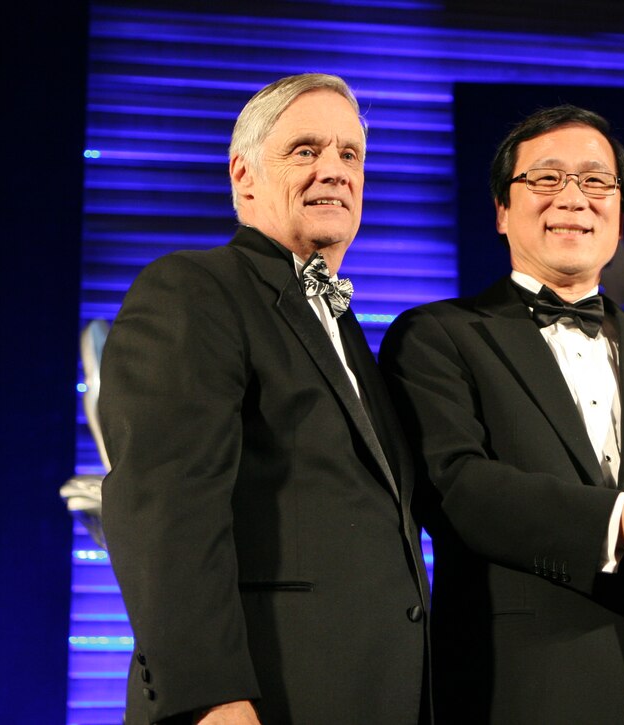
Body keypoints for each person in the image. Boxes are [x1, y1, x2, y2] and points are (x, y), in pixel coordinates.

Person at [379, 104, 624, 724]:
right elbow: (454, 487)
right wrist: (617, 523)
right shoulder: (437, 337)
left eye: (595, 181)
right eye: (546, 179)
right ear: (502, 210)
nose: (574, 198)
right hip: (518, 689)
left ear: (618, 212)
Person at [99, 74, 429, 724]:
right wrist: (209, 697)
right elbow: (166, 502)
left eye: (350, 154)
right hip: (259, 701)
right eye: (305, 151)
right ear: (244, 176)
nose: (333, 170)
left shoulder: (345, 329)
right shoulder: (196, 290)